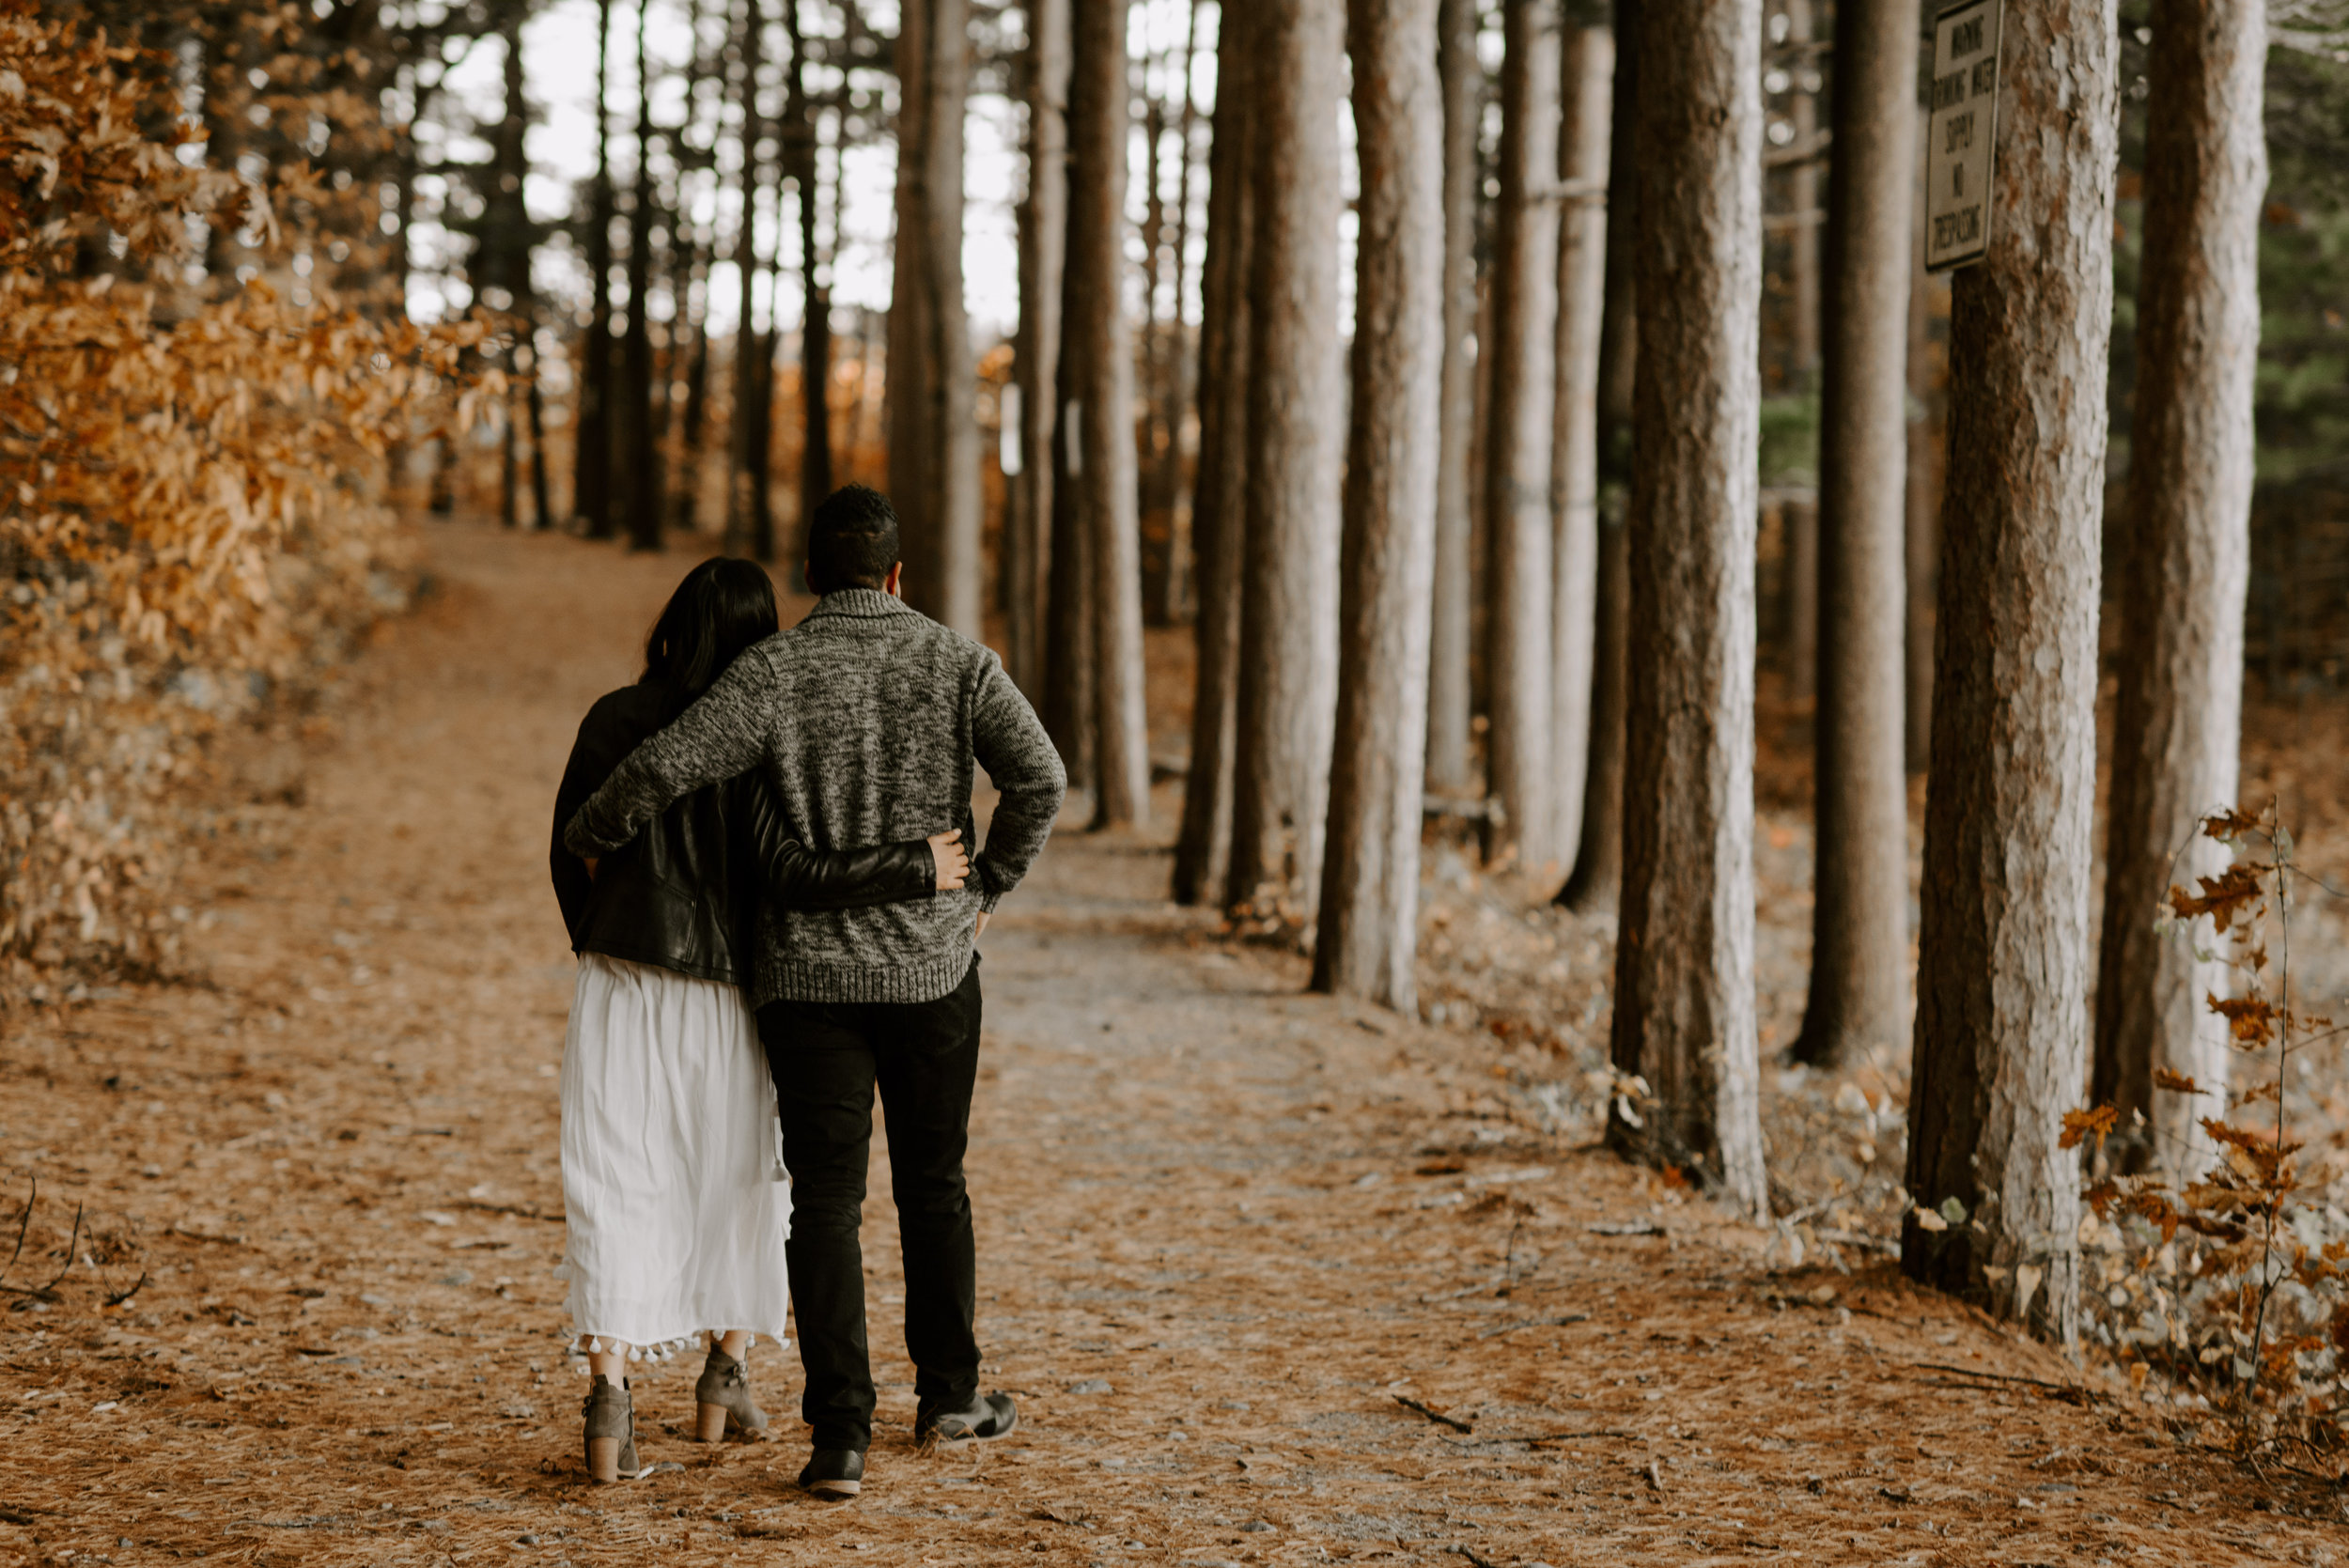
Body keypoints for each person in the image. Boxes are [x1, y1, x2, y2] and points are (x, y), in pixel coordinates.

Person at [566, 485, 1067, 1499]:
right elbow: (1042, 778)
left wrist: (593, 832)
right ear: (896, 576)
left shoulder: (773, 670)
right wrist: (988, 888)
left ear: (807, 575)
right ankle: (949, 1397)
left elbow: (661, 768)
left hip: (806, 988)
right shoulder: (958, 661)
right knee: (935, 1186)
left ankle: (839, 1435)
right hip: (932, 972)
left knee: (825, 1205)